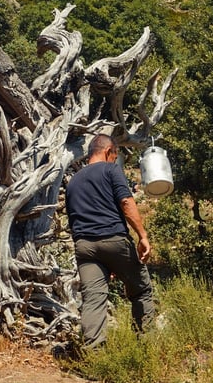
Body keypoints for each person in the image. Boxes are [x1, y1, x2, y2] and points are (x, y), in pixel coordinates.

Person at [65, 134, 155, 348]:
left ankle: (94, 354)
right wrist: (142, 236)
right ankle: (147, 346)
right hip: (113, 239)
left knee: (93, 299)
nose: (115, 161)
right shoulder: (111, 170)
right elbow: (125, 201)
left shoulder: (73, 181)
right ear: (108, 152)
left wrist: (106, 261)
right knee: (141, 290)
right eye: (115, 157)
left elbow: (73, 219)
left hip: (84, 246)